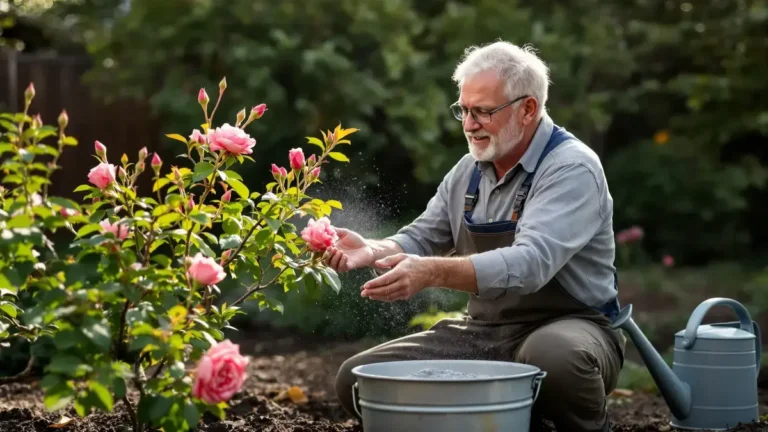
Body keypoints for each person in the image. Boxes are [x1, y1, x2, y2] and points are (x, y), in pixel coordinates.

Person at [324, 41, 626, 432]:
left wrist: (432, 272)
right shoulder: (470, 168)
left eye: (483, 111)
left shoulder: (572, 169)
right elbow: (424, 235)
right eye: (463, 110)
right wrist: (372, 249)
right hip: (485, 333)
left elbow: (530, 264)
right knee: (359, 380)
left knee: (553, 356)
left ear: (528, 108)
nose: (468, 124)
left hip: (574, 327)